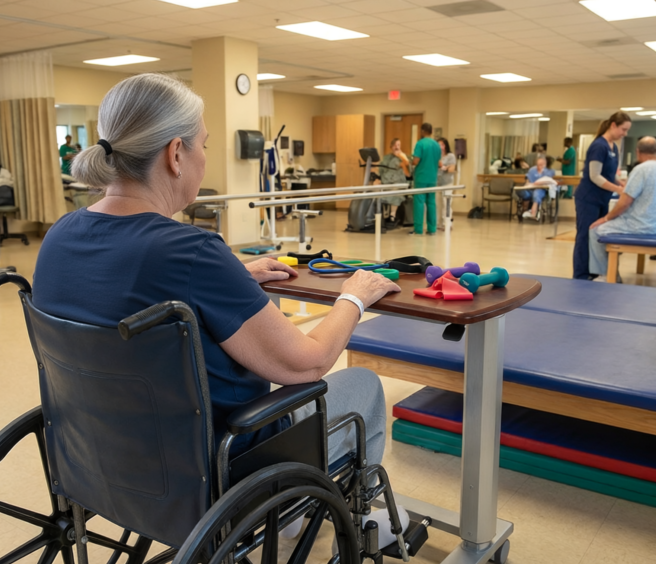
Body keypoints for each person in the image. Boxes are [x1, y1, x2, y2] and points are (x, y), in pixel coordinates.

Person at [32, 73, 400, 467]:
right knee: (363, 383)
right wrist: (354, 297)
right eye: (203, 145)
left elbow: (124, 284)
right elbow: (305, 364)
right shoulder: (191, 251)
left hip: (106, 454)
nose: (204, 157)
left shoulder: (59, 235)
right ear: (175, 154)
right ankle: (326, 518)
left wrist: (231, 277)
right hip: (219, 463)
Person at [588, 137, 656, 281]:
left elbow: (624, 202)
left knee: (596, 230)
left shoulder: (641, 169)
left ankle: (606, 275)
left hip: (644, 226)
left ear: (638, 152)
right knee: (610, 228)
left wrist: (605, 219)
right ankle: (612, 270)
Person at [573, 111, 631, 280]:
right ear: (613, 125)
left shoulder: (613, 146)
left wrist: (622, 184)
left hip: (602, 198)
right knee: (585, 235)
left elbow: (610, 173)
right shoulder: (599, 146)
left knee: (597, 235)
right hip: (588, 198)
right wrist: (618, 190)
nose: (625, 134)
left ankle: (594, 271)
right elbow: (595, 176)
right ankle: (581, 275)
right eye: (623, 129)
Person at [411, 123, 442, 235]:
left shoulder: (420, 144)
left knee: (419, 203)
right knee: (431, 203)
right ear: (432, 131)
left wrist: (409, 162)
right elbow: (439, 162)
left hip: (421, 177)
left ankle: (418, 229)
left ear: (422, 131)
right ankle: (432, 229)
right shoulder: (437, 145)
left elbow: (416, 161)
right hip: (432, 178)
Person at [518, 155, 555, 220]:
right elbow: (527, 179)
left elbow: (548, 181)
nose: (539, 166)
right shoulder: (532, 170)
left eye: (541, 164)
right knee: (522, 192)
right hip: (530, 188)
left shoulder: (549, 171)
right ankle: (524, 211)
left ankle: (533, 212)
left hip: (542, 189)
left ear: (545, 164)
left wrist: (539, 183)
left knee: (537, 192)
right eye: (538, 164)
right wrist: (527, 183)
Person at [379, 138, 410, 215]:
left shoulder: (403, 157)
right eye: (395, 145)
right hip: (386, 181)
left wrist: (402, 157)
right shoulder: (386, 158)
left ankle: (392, 215)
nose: (396, 147)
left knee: (394, 192)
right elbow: (381, 170)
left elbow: (408, 173)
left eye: (398, 145)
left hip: (398, 181)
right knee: (376, 189)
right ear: (391, 146)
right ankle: (383, 214)